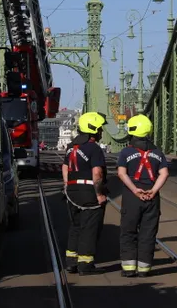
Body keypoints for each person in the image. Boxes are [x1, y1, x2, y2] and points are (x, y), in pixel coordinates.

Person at [116, 114, 169, 278]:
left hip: (132, 197)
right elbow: (164, 173)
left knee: (128, 232)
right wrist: (153, 190)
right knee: (148, 233)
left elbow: (121, 173)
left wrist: (134, 189)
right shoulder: (158, 153)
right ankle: (144, 269)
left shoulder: (126, 152)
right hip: (152, 198)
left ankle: (129, 268)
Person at [63, 112, 108, 275]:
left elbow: (65, 168)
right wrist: (99, 194)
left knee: (75, 227)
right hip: (89, 192)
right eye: (100, 129)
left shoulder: (70, 147)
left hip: (72, 191)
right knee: (89, 228)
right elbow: (97, 173)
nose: (102, 132)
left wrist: (67, 187)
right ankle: (85, 265)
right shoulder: (93, 148)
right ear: (93, 129)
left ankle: (71, 262)